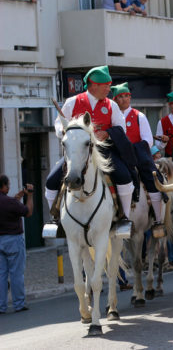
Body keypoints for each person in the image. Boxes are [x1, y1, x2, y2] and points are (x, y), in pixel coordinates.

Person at [45, 66, 133, 233]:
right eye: (106, 85)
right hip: (77, 153)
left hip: (104, 152)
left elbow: (121, 128)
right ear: (93, 85)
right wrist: (65, 131)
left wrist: (107, 133)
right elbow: (59, 123)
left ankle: (125, 218)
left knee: (125, 176)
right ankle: (56, 219)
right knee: (51, 180)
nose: (109, 89)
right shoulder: (72, 102)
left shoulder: (111, 105)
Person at [111, 82, 167, 232]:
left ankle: (158, 220)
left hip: (136, 153)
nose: (124, 99)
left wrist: (132, 148)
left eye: (126, 96)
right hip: (117, 154)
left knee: (151, 177)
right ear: (115, 100)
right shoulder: (111, 116)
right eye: (120, 97)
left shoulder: (139, 116)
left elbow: (148, 139)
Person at [0, 175, 33, 313]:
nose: (9, 187)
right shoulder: (10, 202)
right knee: (16, 274)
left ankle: (1, 306)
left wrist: (16, 198)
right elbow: (28, 212)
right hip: (13, 240)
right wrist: (29, 196)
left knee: (1, 275)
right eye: (7, 185)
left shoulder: (10, 201)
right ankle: (18, 304)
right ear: (3, 186)